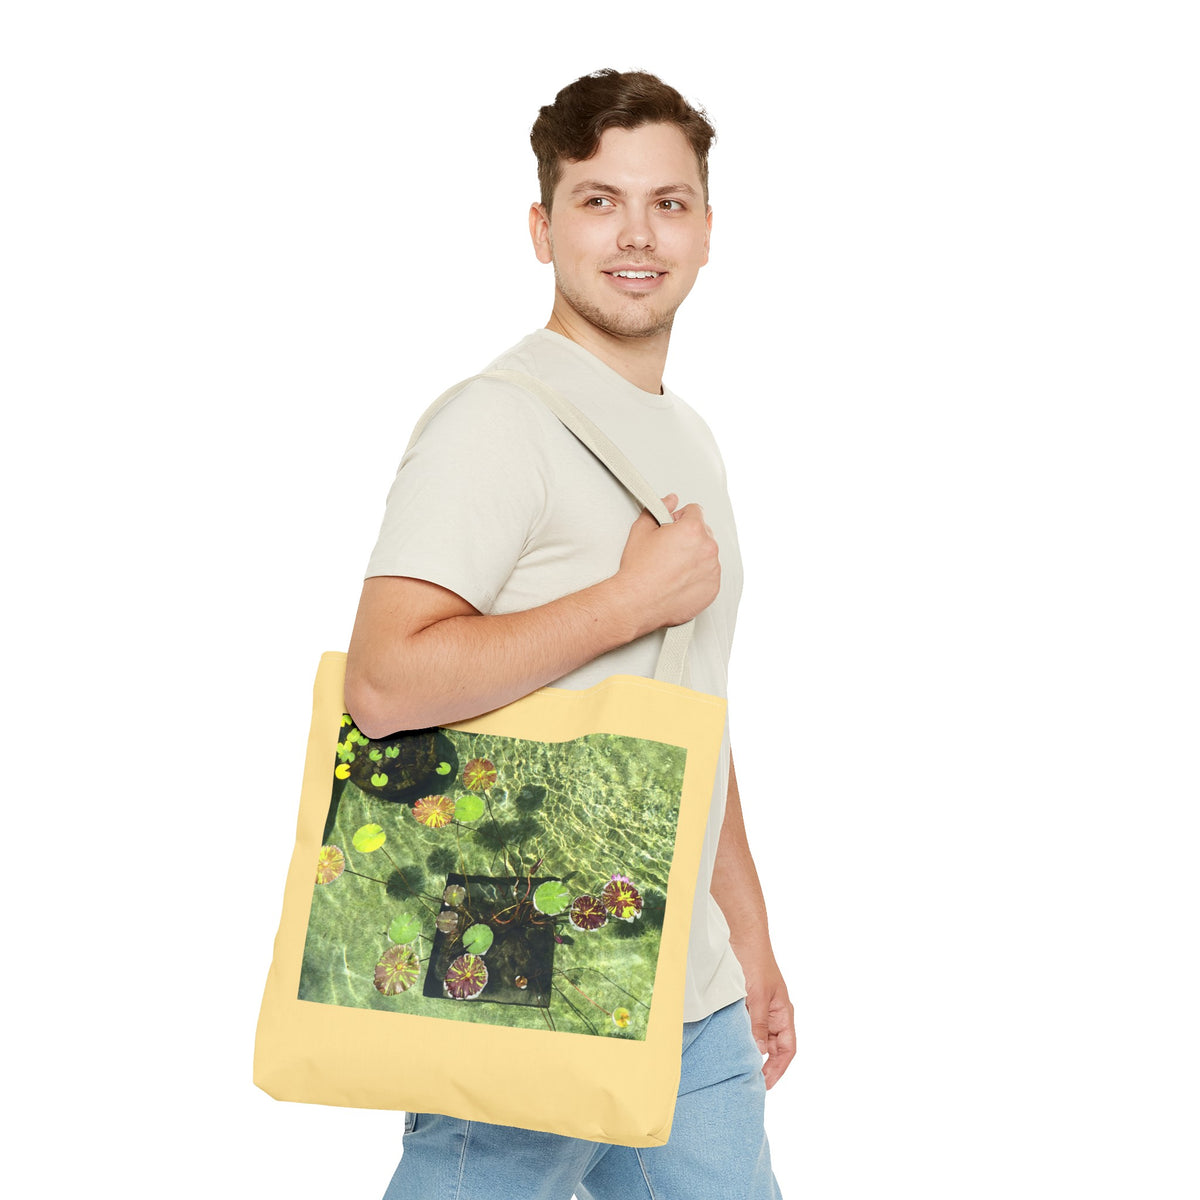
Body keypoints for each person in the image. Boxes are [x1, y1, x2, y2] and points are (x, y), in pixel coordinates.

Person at [345, 67, 794, 1200]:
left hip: (689, 994)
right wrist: (626, 602)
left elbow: (689, 702)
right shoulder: (495, 421)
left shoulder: (688, 436)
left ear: (706, 230)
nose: (637, 234)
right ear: (543, 230)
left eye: (668, 203)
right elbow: (385, 683)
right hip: (523, 959)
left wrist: (747, 937)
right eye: (599, 201)